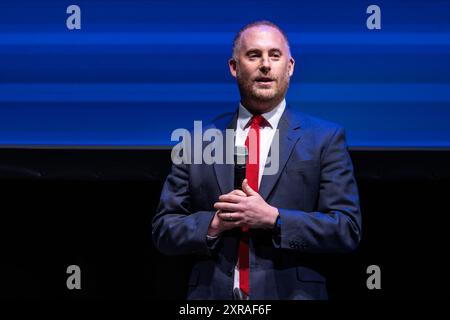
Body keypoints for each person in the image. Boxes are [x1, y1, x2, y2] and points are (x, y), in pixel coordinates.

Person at [152, 20, 361, 300]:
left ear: (290, 67)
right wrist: (214, 224)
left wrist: (274, 218)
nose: (265, 65)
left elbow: (346, 228)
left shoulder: (325, 138)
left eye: (275, 55)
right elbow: (164, 229)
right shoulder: (197, 140)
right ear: (234, 67)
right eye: (254, 55)